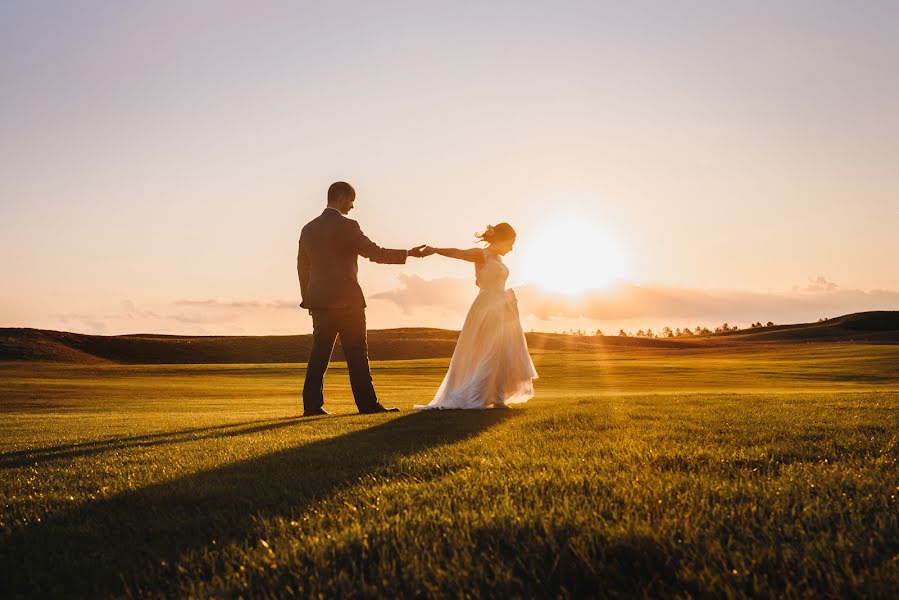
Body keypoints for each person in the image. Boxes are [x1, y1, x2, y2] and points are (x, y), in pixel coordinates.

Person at [297, 181, 430, 416]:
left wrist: (308, 298)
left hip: (319, 302)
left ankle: (312, 406)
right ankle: (367, 405)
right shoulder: (348, 226)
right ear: (339, 197)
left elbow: (302, 268)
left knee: (319, 355)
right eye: (351, 200)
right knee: (357, 353)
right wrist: (408, 254)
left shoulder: (307, 229)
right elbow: (374, 253)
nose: (352, 206)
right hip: (348, 301)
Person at [414, 223, 538, 410]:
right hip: (486, 309)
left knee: (503, 352)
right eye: (511, 243)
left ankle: (497, 399)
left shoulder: (498, 259)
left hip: (502, 308)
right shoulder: (482, 255)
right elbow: (458, 252)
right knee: (490, 350)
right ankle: (476, 398)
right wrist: (435, 250)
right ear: (501, 239)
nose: (512, 248)